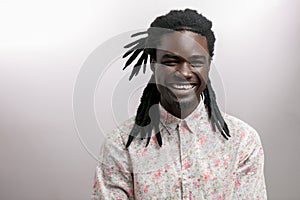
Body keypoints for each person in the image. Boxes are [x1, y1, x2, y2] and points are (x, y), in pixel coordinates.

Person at [91, 9, 267, 199]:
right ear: (153, 64)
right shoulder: (121, 145)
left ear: (209, 65)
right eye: (171, 61)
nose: (184, 72)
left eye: (196, 61)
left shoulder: (242, 141)